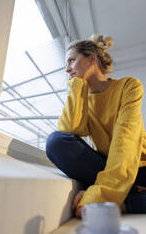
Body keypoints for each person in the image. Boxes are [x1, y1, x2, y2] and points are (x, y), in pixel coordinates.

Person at [46, 34, 146, 218]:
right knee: (56, 142)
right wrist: (77, 86)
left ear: (92, 59)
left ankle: (124, 200)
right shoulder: (83, 98)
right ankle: (129, 195)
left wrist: (100, 194)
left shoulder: (129, 86)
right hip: (108, 166)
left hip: (139, 167)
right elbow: (69, 130)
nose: (67, 69)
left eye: (72, 61)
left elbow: (126, 141)